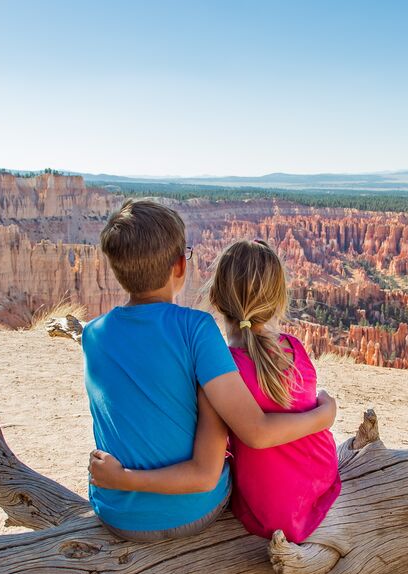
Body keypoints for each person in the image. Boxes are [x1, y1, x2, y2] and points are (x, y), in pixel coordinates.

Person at [84, 199, 336, 542]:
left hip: (115, 513)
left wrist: (121, 479)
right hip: (196, 510)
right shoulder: (196, 329)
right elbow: (223, 460)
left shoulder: (92, 334)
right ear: (178, 266)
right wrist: (325, 415)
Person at [207, 239, 341, 543]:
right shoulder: (294, 348)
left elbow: (255, 433)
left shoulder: (221, 367)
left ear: (215, 297)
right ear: (278, 299)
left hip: (268, 508)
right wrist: (324, 413)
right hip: (320, 482)